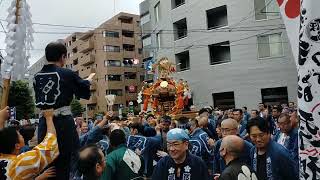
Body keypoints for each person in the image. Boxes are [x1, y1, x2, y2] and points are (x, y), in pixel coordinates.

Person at [33, 42, 95, 179]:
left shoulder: (36, 76)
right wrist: (89, 80)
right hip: (62, 123)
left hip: (44, 122)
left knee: (46, 157)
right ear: (63, 57)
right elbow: (82, 89)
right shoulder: (67, 73)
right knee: (68, 158)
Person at [0, 109, 59, 179]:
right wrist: (49, 118)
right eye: (20, 136)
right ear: (17, 146)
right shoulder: (18, 164)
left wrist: (1, 119)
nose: (22, 137)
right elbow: (49, 147)